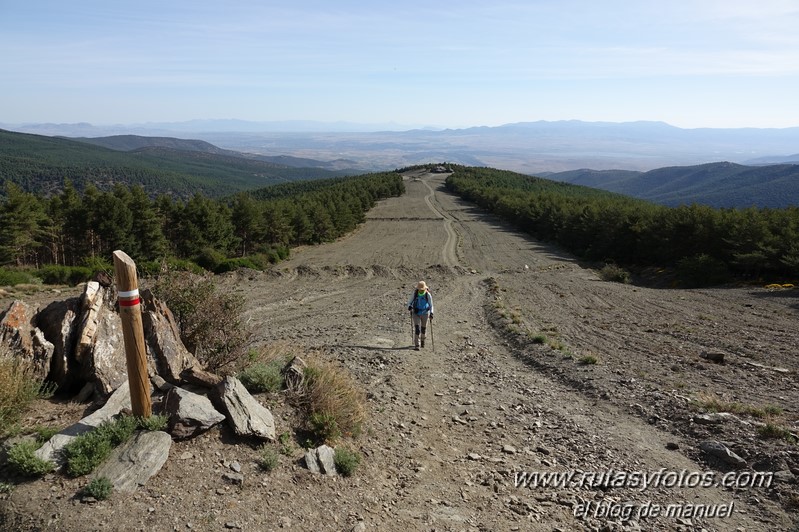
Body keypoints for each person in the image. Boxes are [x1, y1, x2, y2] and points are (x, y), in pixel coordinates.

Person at [407, 280, 434, 350]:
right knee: (417, 329)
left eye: (422, 289)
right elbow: (409, 302)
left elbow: (431, 305)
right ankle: (417, 344)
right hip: (416, 313)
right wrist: (409, 306)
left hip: (425, 313)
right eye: (420, 289)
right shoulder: (415, 293)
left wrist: (431, 313)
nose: (421, 290)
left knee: (423, 329)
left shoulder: (427, 294)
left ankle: (422, 341)